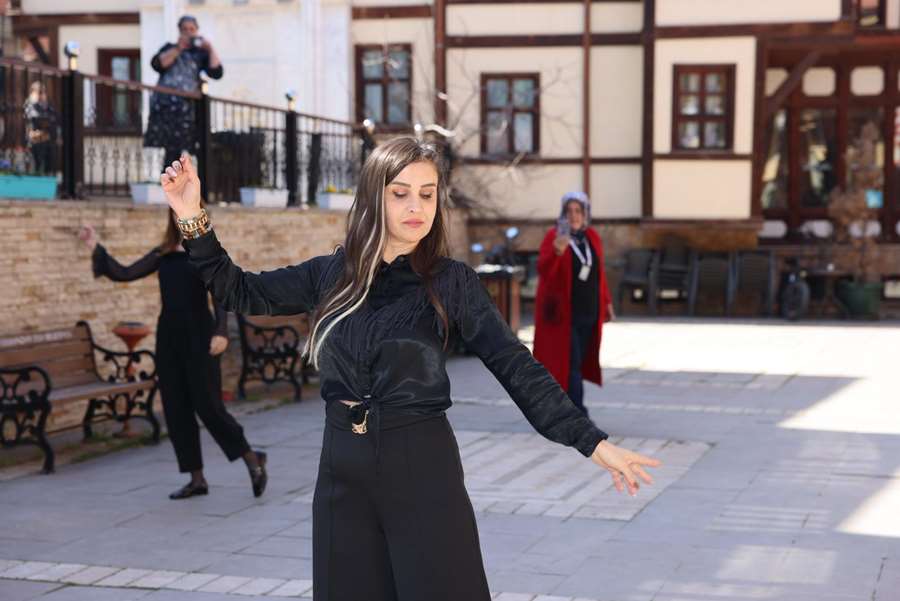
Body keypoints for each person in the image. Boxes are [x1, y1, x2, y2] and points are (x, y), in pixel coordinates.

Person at [160, 138, 659, 601]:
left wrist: (589, 440)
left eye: (427, 194)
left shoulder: (450, 282)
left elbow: (514, 364)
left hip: (421, 465)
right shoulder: (329, 275)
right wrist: (190, 215)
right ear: (373, 198)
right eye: (400, 194)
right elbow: (239, 290)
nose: (416, 207)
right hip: (342, 468)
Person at [77, 210, 268, 500]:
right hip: (169, 337)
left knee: (209, 406)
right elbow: (125, 273)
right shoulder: (163, 254)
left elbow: (220, 295)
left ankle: (251, 458)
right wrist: (94, 245)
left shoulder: (205, 253)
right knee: (176, 407)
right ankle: (196, 479)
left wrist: (220, 332)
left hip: (200, 336)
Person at [534, 191, 614, 416]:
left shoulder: (592, 237)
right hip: (564, 314)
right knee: (570, 363)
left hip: (589, 311)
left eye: (578, 211)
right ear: (563, 214)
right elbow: (543, 270)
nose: (574, 215)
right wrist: (557, 253)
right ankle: (578, 413)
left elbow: (599, 274)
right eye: (569, 211)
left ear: (585, 213)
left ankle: (566, 410)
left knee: (578, 364)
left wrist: (607, 302)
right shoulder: (555, 236)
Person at [144, 15, 223, 171]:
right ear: (179, 31)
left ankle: (195, 181)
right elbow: (158, 64)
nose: (188, 32)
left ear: (197, 31)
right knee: (171, 149)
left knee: (194, 147)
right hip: (166, 107)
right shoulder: (169, 48)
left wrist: (209, 47)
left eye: (192, 29)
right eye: (185, 29)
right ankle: (170, 181)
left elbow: (216, 72)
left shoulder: (200, 53)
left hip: (188, 110)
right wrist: (179, 48)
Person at [23, 81, 57, 174]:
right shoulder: (30, 106)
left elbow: (54, 120)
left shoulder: (49, 107)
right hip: (35, 142)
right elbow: (32, 119)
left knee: (49, 166)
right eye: (39, 92)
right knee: (36, 165)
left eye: (43, 92)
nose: (41, 95)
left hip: (48, 141)